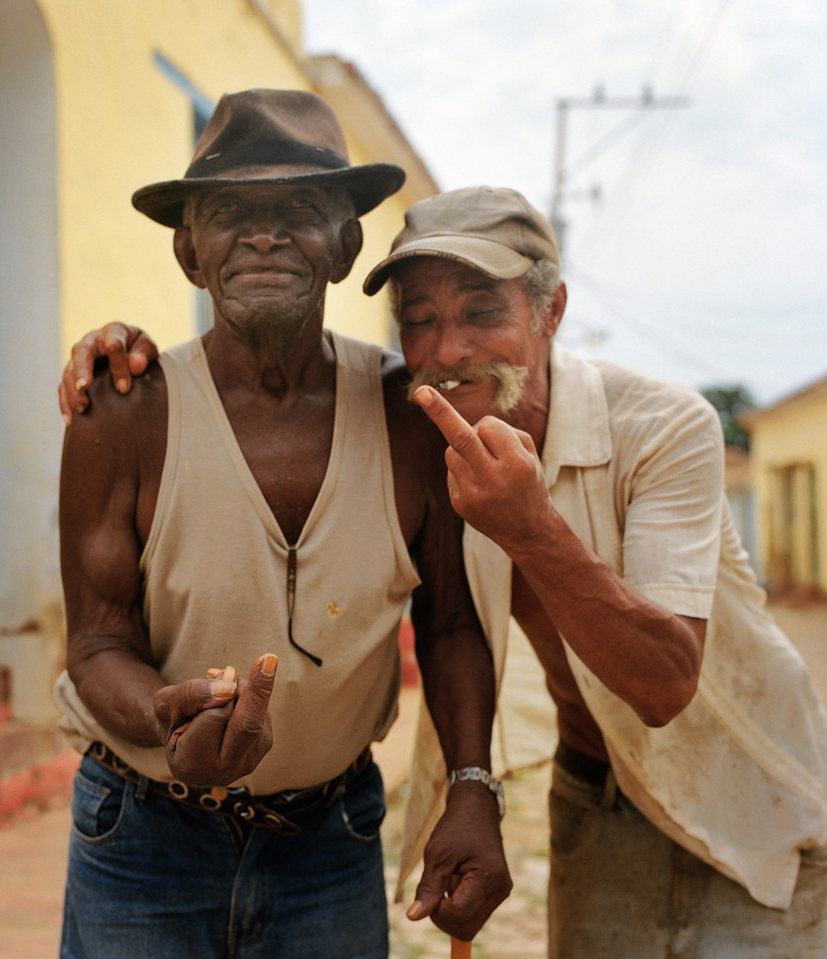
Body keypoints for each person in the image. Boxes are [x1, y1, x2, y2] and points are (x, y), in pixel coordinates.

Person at [64, 185, 827, 958]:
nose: (448, 348)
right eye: (420, 318)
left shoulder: (666, 427)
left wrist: (530, 527)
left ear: (551, 311)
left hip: (749, 795)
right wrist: (116, 346)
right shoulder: (418, 428)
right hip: (593, 796)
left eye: (482, 311)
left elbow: (664, 685)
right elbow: (450, 623)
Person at [54, 91, 511, 959]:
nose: (263, 235)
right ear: (191, 251)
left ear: (345, 246)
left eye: (300, 209)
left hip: (327, 842)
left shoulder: (409, 416)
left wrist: (473, 788)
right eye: (229, 212)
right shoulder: (123, 411)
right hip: (142, 838)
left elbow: (450, 623)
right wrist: (162, 716)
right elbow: (94, 644)